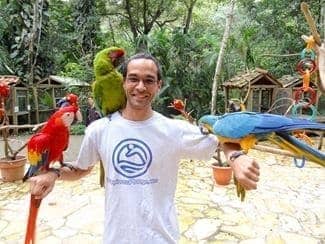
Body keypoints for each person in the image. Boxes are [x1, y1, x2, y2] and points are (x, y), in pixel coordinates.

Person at [28, 53, 260, 243]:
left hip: (162, 238)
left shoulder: (173, 129)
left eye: (149, 80)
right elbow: (80, 169)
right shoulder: (99, 129)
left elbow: (219, 138)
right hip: (115, 238)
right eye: (133, 79)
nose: (140, 86)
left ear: (158, 86)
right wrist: (53, 173)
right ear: (123, 82)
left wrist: (236, 156)